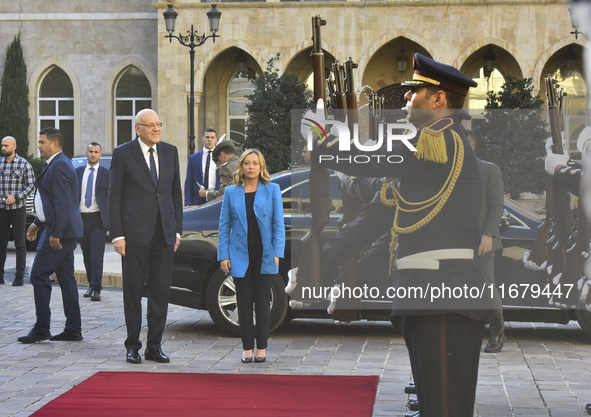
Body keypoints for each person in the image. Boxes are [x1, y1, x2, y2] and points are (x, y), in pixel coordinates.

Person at [307, 53, 494, 417]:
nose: (406, 98)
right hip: (427, 293)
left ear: (438, 99)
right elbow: (383, 208)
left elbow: (367, 157)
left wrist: (321, 135)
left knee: (444, 408)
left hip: (442, 295)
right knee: (435, 404)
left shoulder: (439, 142)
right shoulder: (433, 145)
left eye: (414, 91)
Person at [108, 109, 183, 364]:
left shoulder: (170, 152)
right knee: (132, 291)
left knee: (160, 292)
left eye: (158, 124)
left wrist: (176, 231)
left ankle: (154, 346)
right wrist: (117, 235)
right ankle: (132, 346)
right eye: (150, 125)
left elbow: (175, 195)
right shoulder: (123, 153)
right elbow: (114, 197)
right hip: (133, 236)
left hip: (163, 235)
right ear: (137, 129)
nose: (156, 129)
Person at [217, 149, 285, 363]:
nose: (251, 167)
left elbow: (278, 224)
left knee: (263, 303)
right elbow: (224, 226)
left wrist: (277, 252)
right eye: (247, 163)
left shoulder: (272, 189)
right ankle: (247, 348)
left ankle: (262, 347)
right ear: (242, 166)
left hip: (265, 254)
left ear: (261, 166)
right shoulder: (231, 192)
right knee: (244, 303)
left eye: (255, 163)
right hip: (239, 254)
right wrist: (223, 255)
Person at [17, 127, 83, 343]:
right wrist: (37, 222)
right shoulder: (56, 163)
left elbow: (64, 203)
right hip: (58, 228)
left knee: (37, 274)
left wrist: (56, 233)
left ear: (55, 144)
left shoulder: (60, 165)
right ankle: (73, 329)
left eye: (42, 142)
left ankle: (41, 328)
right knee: (66, 279)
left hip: (59, 231)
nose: (39, 146)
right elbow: (52, 201)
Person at [467, 130, 506, 353]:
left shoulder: (489, 169)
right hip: (455, 240)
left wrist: (489, 234)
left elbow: (497, 204)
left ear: (470, 146)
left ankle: (498, 333)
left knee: (486, 288)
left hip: (482, 241)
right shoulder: (450, 171)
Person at [76, 142, 109, 302]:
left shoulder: (106, 174)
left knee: (97, 255)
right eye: (90, 151)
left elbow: (111, 198)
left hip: (98, 220)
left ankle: (96, 288)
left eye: (96, 152)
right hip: (81, 219)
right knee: (86, 255)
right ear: (86, 153)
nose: (93, 154)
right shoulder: (77, 172)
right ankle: (91, 284)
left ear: (100, 155)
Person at [0, 136, 35, 286]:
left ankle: (19, 276)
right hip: (2, 209)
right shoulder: (0, 164)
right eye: (2, 145)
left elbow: (31, 185)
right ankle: (0, 276)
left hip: (18, 209)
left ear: (14, 147)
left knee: (20, 243)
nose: (3, 148)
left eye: (6, 146)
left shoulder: (24, 164)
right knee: (1, 243)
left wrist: (16, 197)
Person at [185, 128, 219, 205]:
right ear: (203, 139)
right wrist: (188, 202)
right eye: (207, 137)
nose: (210, 140)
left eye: (212, 137)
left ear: (216, 140)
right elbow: (189, 181)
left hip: (215, 198)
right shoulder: (193, 158)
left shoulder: (220, 158)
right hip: (197, 199)